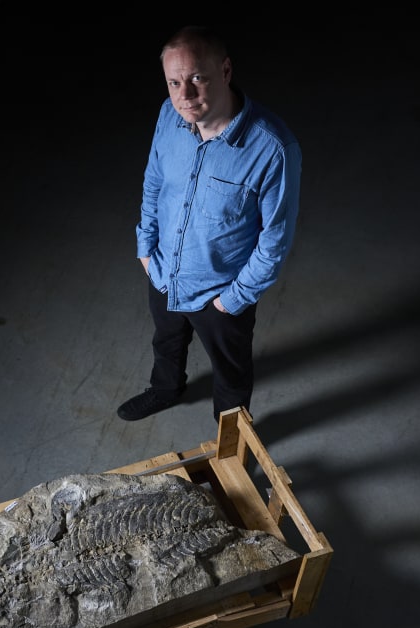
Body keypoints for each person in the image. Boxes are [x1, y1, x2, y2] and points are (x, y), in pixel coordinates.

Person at [117, 24, 302, 422]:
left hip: (221, 293)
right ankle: (166, 389)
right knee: (166, 341)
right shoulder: (169, 115)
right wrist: (146, 250)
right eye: (173, 82)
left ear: (226, 71)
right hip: (164, 272)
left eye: (197, 78)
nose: (184, 95)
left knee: (231, 376)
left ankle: (230, 444)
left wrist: (230, 301)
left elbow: (274, 241)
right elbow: (154, 182)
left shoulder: (273, 148)